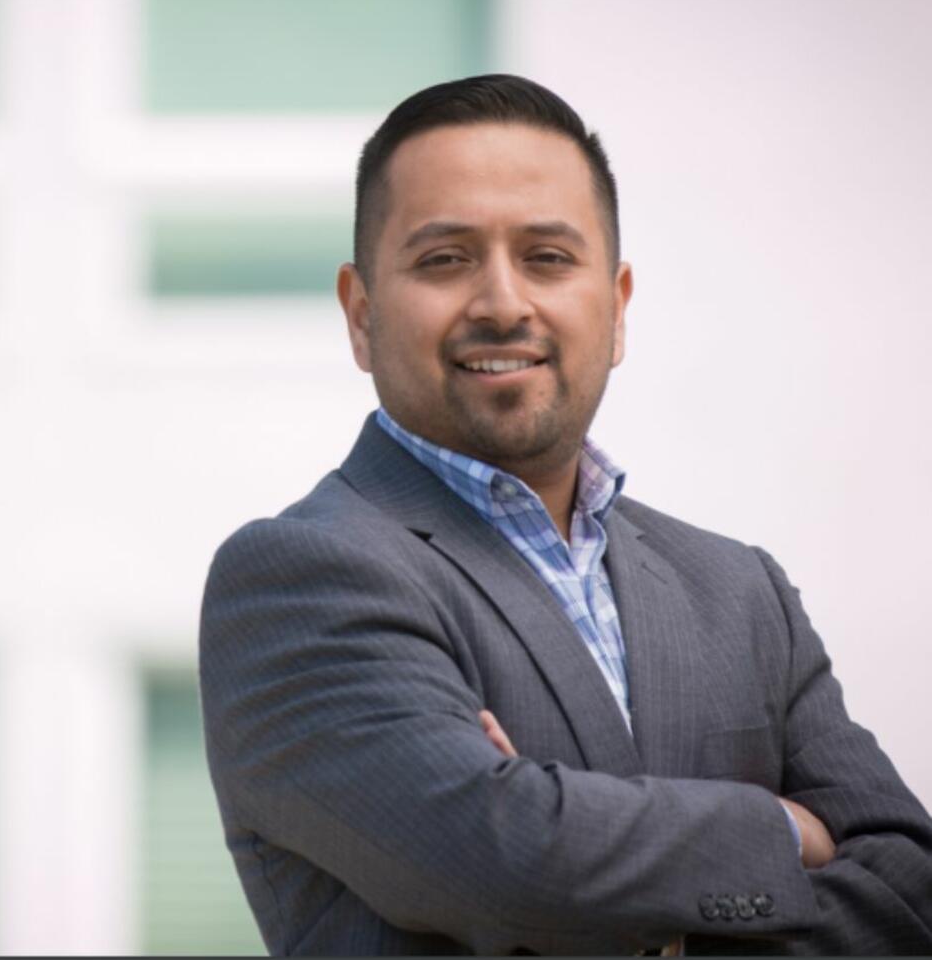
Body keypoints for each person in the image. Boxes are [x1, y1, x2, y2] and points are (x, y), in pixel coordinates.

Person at [198, 74, 932, 955]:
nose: (504, 303)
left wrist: (596, 871)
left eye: (547, 257)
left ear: (615, 308)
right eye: (445, 259)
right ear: (360, 316)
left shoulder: (738, 591)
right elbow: (503, 863)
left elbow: (908, 886)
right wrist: (779, 831)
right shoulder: (297, 578)